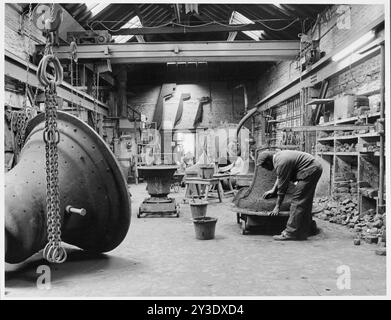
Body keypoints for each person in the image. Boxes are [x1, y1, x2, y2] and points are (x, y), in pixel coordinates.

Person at [258, 150, 323, 241]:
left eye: (264, 166)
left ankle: (290, 233)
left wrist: (277, 206)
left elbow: (283, 187)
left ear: (268, 162)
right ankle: (308, 227)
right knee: (305, 200)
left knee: (297, 201)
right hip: (314, 167)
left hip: (310, 170)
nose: (264, 168)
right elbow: (280, 176)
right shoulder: (278, 158)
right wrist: (273, 190)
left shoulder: (281, 162)